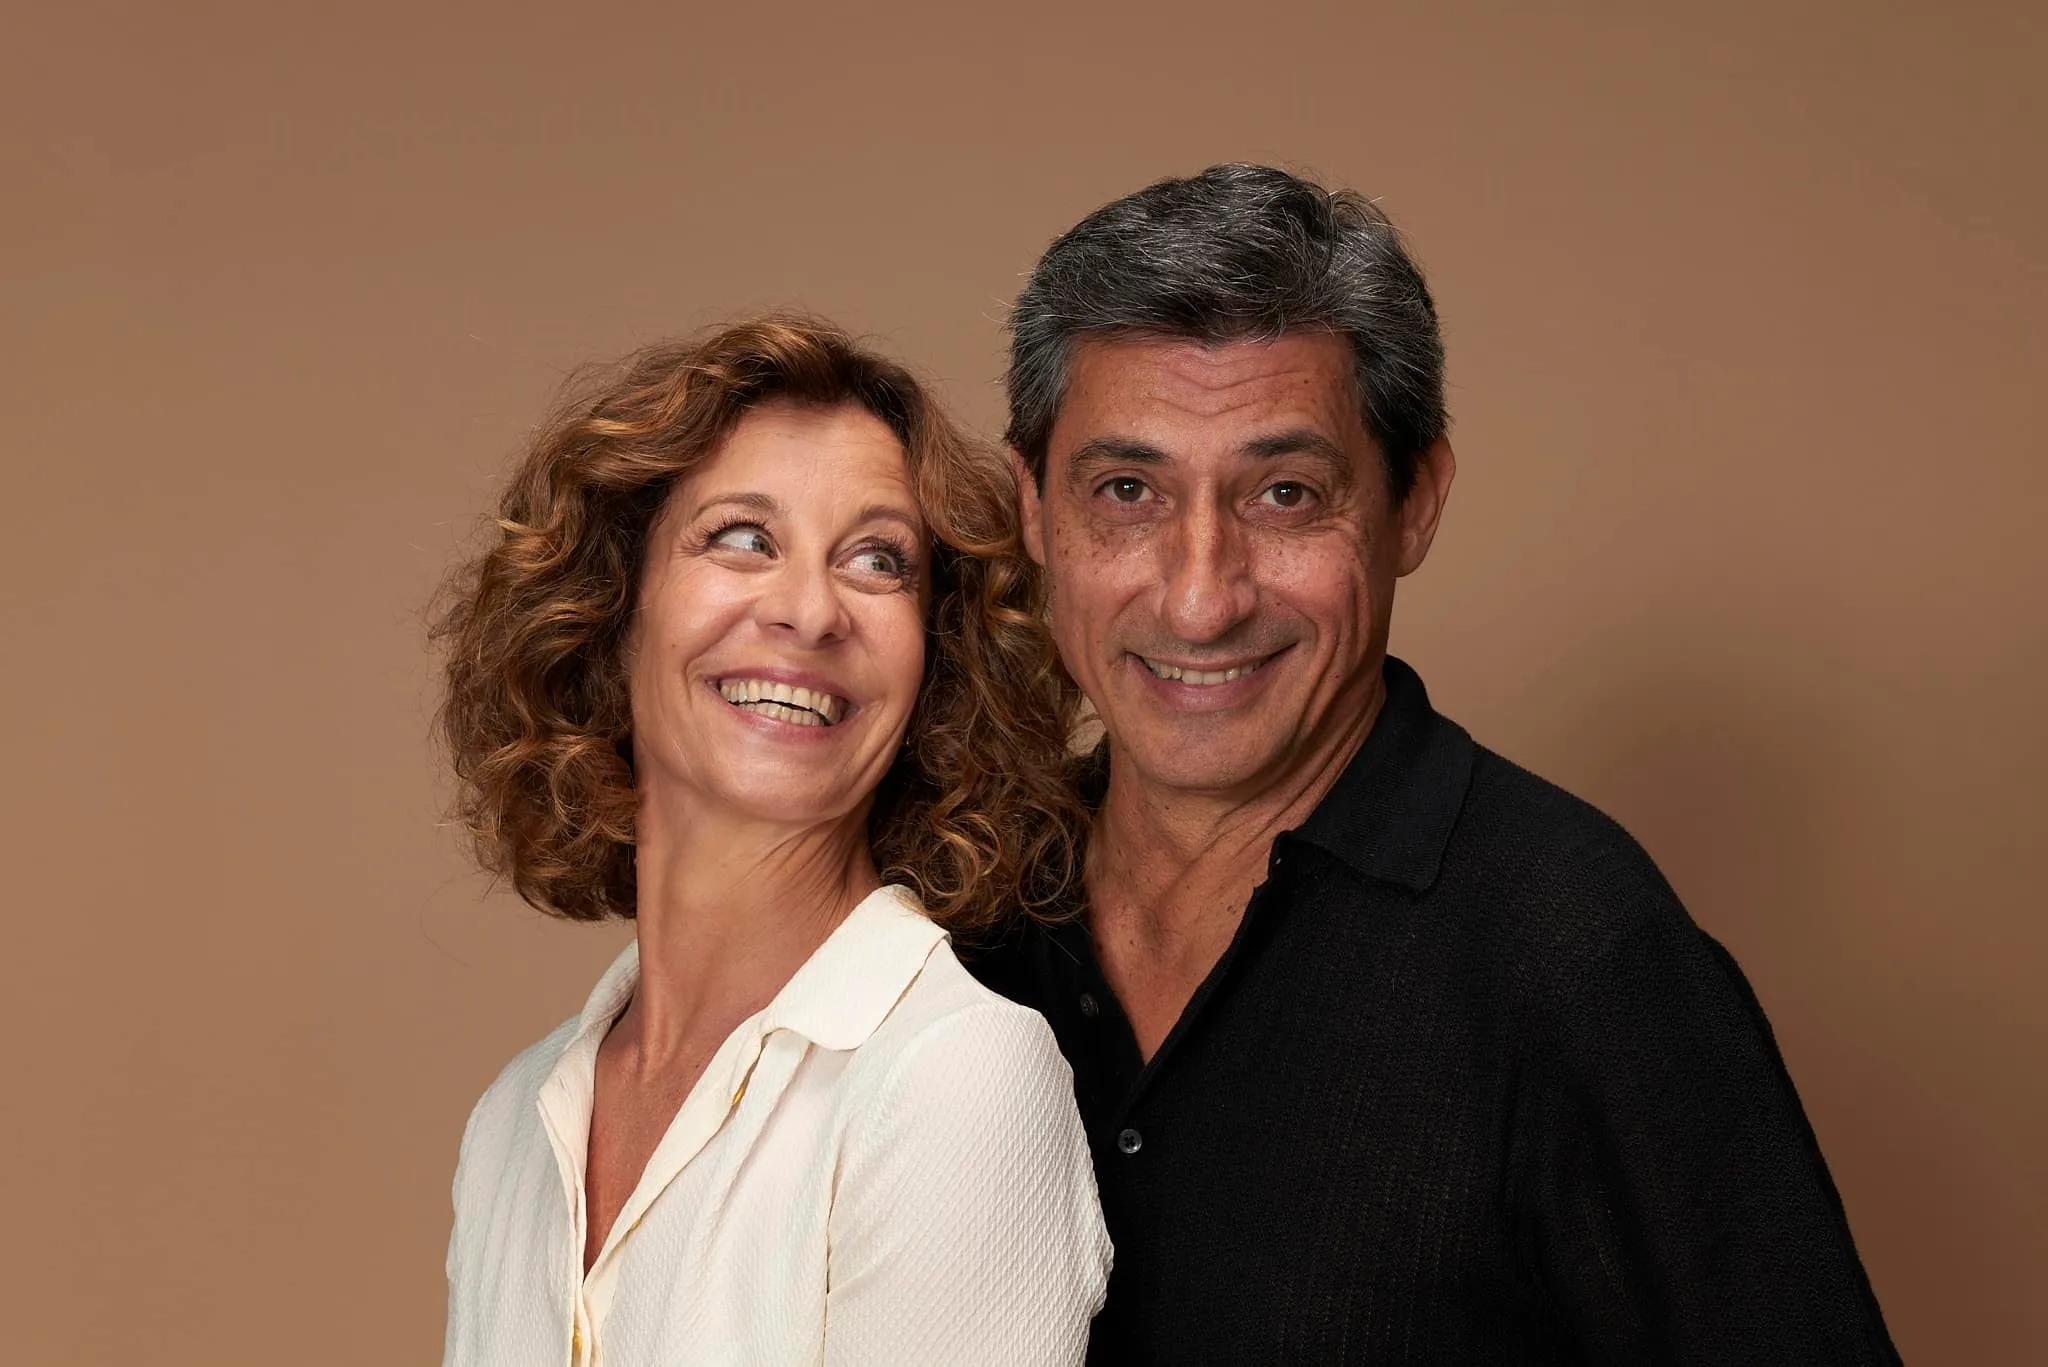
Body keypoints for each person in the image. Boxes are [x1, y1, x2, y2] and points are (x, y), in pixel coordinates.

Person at [968, 164, 1901, 1365]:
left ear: (1413, 503)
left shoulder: (1585, 956)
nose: (1200, 598)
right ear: (1033, 508)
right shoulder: (961, 912)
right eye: (1126, 491)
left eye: (1284, 493)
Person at [433, 317, 1109, 1366]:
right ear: (614, 610)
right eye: (743, 538)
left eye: (877, 560)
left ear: (935, 662)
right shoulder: (515, 1122)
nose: (809, 610)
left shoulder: (953, 1079)